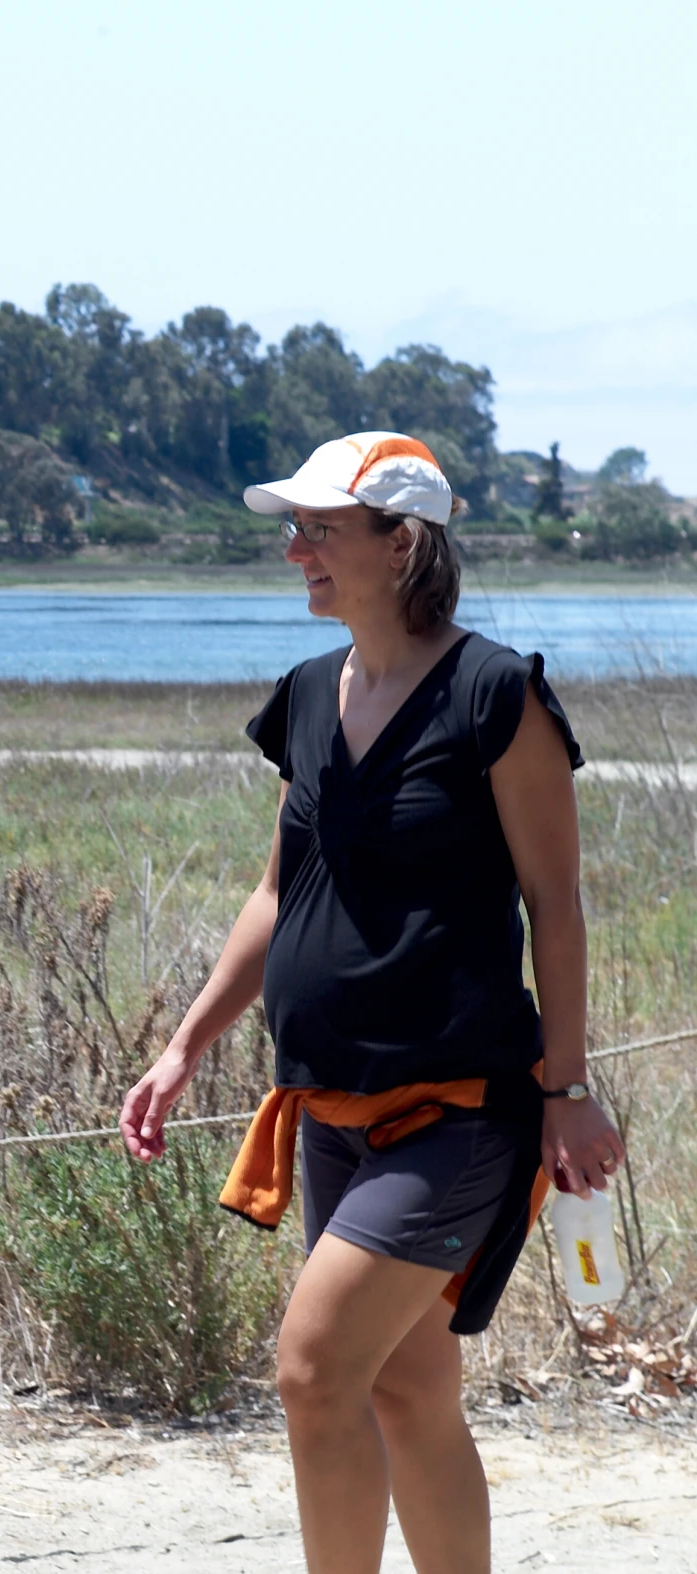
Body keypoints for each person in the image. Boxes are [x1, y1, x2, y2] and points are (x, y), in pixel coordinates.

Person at [120, 432, 627, 1574]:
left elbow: (556, 904)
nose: (293, 549)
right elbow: (277, 890)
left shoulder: (499, 693)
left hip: (460, 1108)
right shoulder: (306, 696)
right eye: (291, 529)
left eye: (319, 530)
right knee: (407, 1388)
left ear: (403, 544)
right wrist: (185, 1043)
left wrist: (570, 1089)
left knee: (312, 1368)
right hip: (329, 1111)